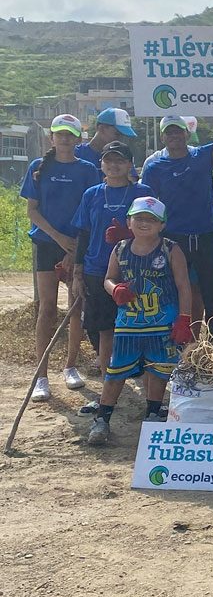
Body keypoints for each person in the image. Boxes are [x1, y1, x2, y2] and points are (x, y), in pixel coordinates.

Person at [88, 197, 192, 444]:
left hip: (162, 320)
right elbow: (108, 278)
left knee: (159, 368)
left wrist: (184, 318)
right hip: (129, 323)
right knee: (116, 371)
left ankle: (153, 413)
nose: (145, 223)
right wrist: (115, 290)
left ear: (162, 224)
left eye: (152, 219)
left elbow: (183, 284)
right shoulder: (120, 248)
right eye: (139, 218)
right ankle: (102, 419)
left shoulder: (170, 249)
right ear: (129, 221)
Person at [20, 115, 101, 402]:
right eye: (60, 134)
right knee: (47, 309)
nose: (65, 139)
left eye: (70, 135)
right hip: (47, 243)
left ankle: (70, 366)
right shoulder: (39, 168)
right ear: (51, 138)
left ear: (78, 139)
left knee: (75, 306)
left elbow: (91, 212)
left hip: (77, 246)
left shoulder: (88, 170)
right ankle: (41, 375)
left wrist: (74, 247)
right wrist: (59, 239)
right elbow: (33, 211)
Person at [140, 115, 213, 340]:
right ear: (163, 136)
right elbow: (146, 205)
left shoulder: (202, 156)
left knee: (212, 295)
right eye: (169, 132)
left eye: (178, 131)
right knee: (173, 293)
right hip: (173, 239)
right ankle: (174, 345)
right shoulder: (154, 167)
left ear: (186, 133)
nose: (174, 135)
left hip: (206, 235)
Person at [71, 141, 154, 386]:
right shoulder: (92, 193)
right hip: (97, 268)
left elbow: (157, 227)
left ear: (130, 164)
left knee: (138, 322)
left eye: (120, 160)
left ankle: (140, 369)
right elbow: (84, 232)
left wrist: (129, 235)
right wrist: (78, 269)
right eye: (109, 160)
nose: (114, 165)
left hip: (136, 267)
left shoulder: (142, 192)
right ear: (101, 165)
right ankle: (110, 376)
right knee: (101, 325)